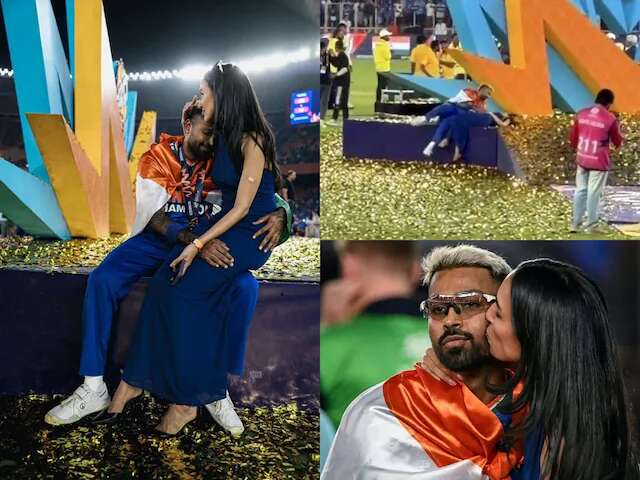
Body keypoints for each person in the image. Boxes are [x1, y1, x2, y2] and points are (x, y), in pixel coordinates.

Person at [44, 99, 290, 435]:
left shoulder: (222, 158)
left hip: (204, 244)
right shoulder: (158, 156)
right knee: (102, 280)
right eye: (207, 132)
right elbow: (156, 219)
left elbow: (257, 190)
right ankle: (93, 386)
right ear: (187, 125)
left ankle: (214, 390)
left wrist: (283, 213)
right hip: (160, 241)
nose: (212, 141)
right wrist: (195, 242)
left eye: (217, 134)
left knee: (246, 288)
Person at [321, 245, 542, 479]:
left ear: (503, 312)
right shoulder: (377, 410)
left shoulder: (543, 408)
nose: (450, 320)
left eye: (470, 304)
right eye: (438, 308)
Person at [425, 258, 640, 479]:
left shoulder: (565, 445)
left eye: (498, 313)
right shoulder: (572, 408)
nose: (488, 315)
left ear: (532, 334)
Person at [320, 241, 427, 429]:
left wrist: (326, 328)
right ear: (415, 271)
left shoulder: (329, 348)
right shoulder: (462, 342)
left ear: (349, 265)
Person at [569, 88, 623, 233]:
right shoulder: (610, 119)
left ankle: (575, 224)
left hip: (582, 158)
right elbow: (617, 141)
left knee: (580, 190)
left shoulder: (581, 114)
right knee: (593, 193)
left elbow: (573, 138)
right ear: (609, 104)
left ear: (596, 99)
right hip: (598, 161)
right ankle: (591, 226)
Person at [328, 40, 351, 125]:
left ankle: (337, 119)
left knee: (340, 99)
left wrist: (336, 75)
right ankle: (345, 119)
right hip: (343, 81)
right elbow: (337, 63)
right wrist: (331, 56)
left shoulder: (342, 55)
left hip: (342, 81)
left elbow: (345, 68)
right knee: (341, 99)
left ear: (337, 47)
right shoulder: (341, 55)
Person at [373, 28, 392, 102]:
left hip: (378, 67)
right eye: (388, 36)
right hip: (385, 68)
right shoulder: (385, 45)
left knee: (379, 85)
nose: (389, 37)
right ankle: (382, 100)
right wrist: (390, 52)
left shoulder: (377, 45)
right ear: (384, 36)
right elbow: (388, 57)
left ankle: (378, 99)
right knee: (384, 85)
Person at [320, 38, 332, 123]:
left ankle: (322, 119)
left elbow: (331, 65)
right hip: (320, 81)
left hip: (326, 81)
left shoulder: (327, 55)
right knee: (317, 100)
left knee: (324, 101)